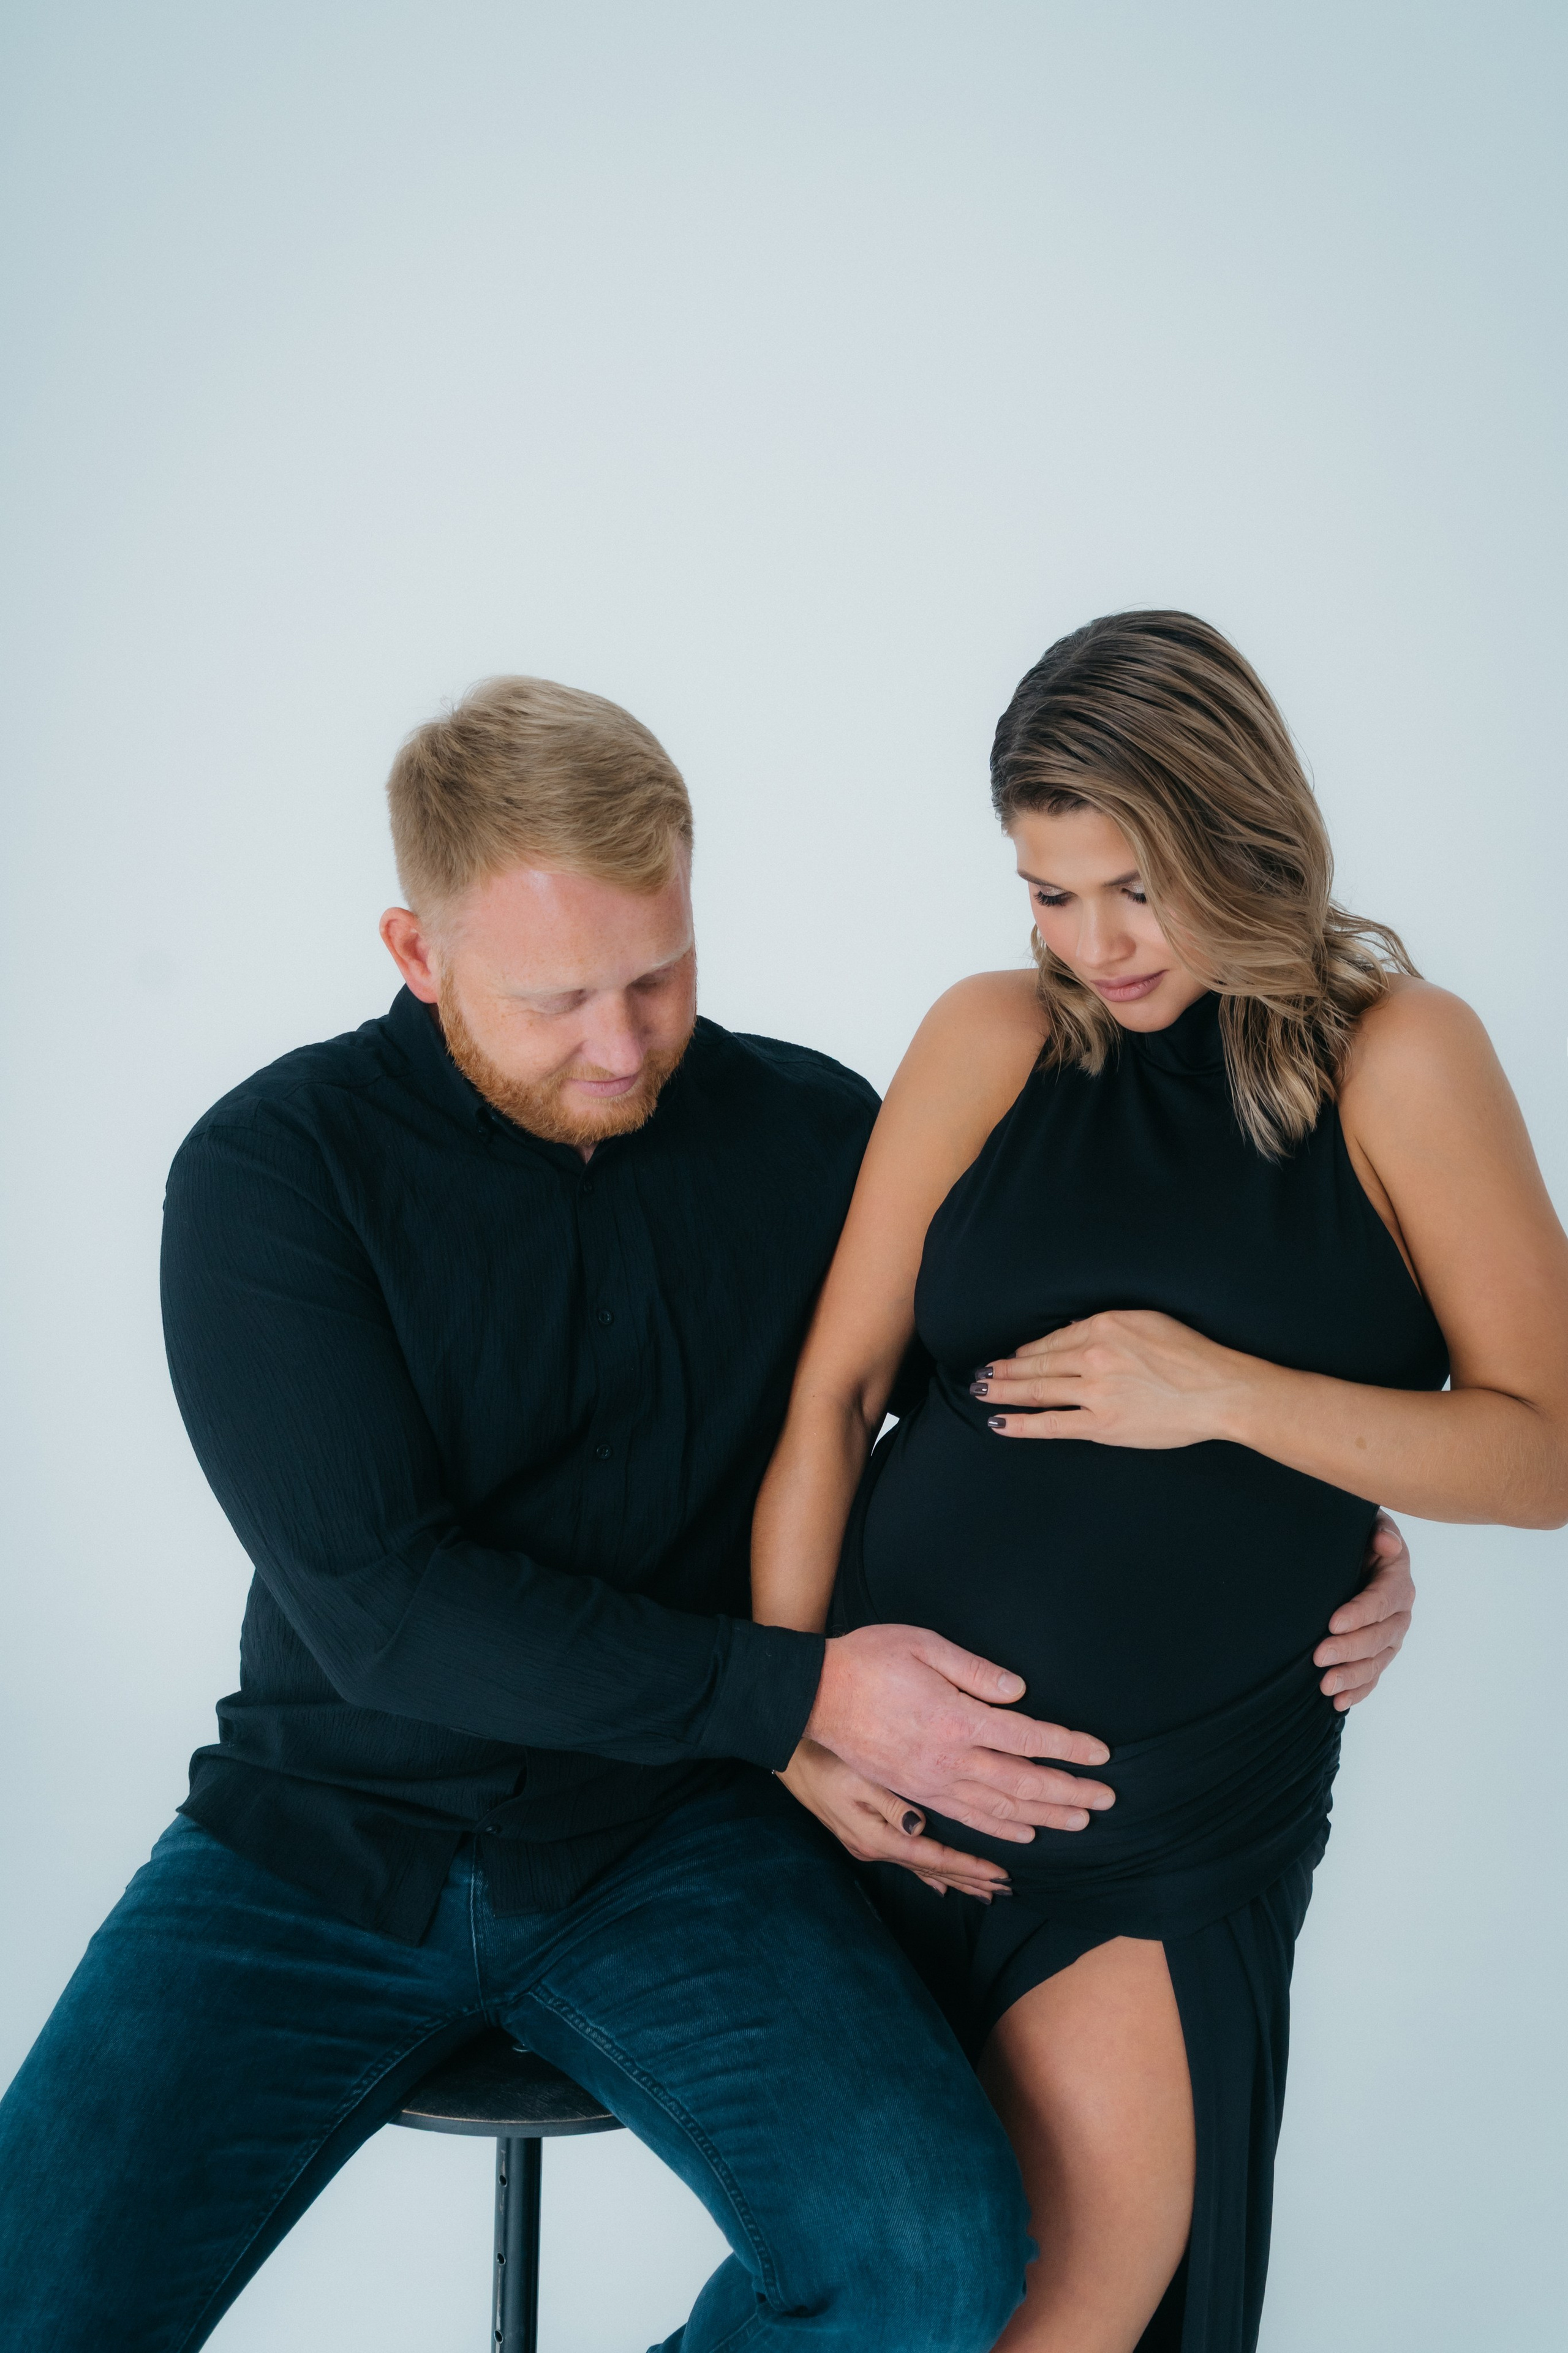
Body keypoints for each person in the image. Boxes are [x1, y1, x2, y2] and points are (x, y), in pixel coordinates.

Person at [0, 674, 1415, 2352]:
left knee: (936, 2256)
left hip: (681, 1842)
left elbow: (1011, 1411)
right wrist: (797, 1695)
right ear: (415, 950)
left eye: (660, 975)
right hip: (319, 1844)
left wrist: (1312, 1541)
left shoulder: (815, 1130)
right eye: (559, 998)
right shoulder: (271, 1173)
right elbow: (387, 1609)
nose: (624, 1042)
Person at [752, 611, 1568, 2353]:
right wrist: (792, 1718)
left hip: (1159, 1836)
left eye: (1132, 884)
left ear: (1235, 829)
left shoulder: (1401, 1058)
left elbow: (1545, 1444)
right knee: (857, 2308)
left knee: (1046, 2320)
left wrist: (1226, 1394)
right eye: (1049, 891)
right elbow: (831, 1401)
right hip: (873, 1793)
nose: (1093, 942)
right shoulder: (991, 1035)